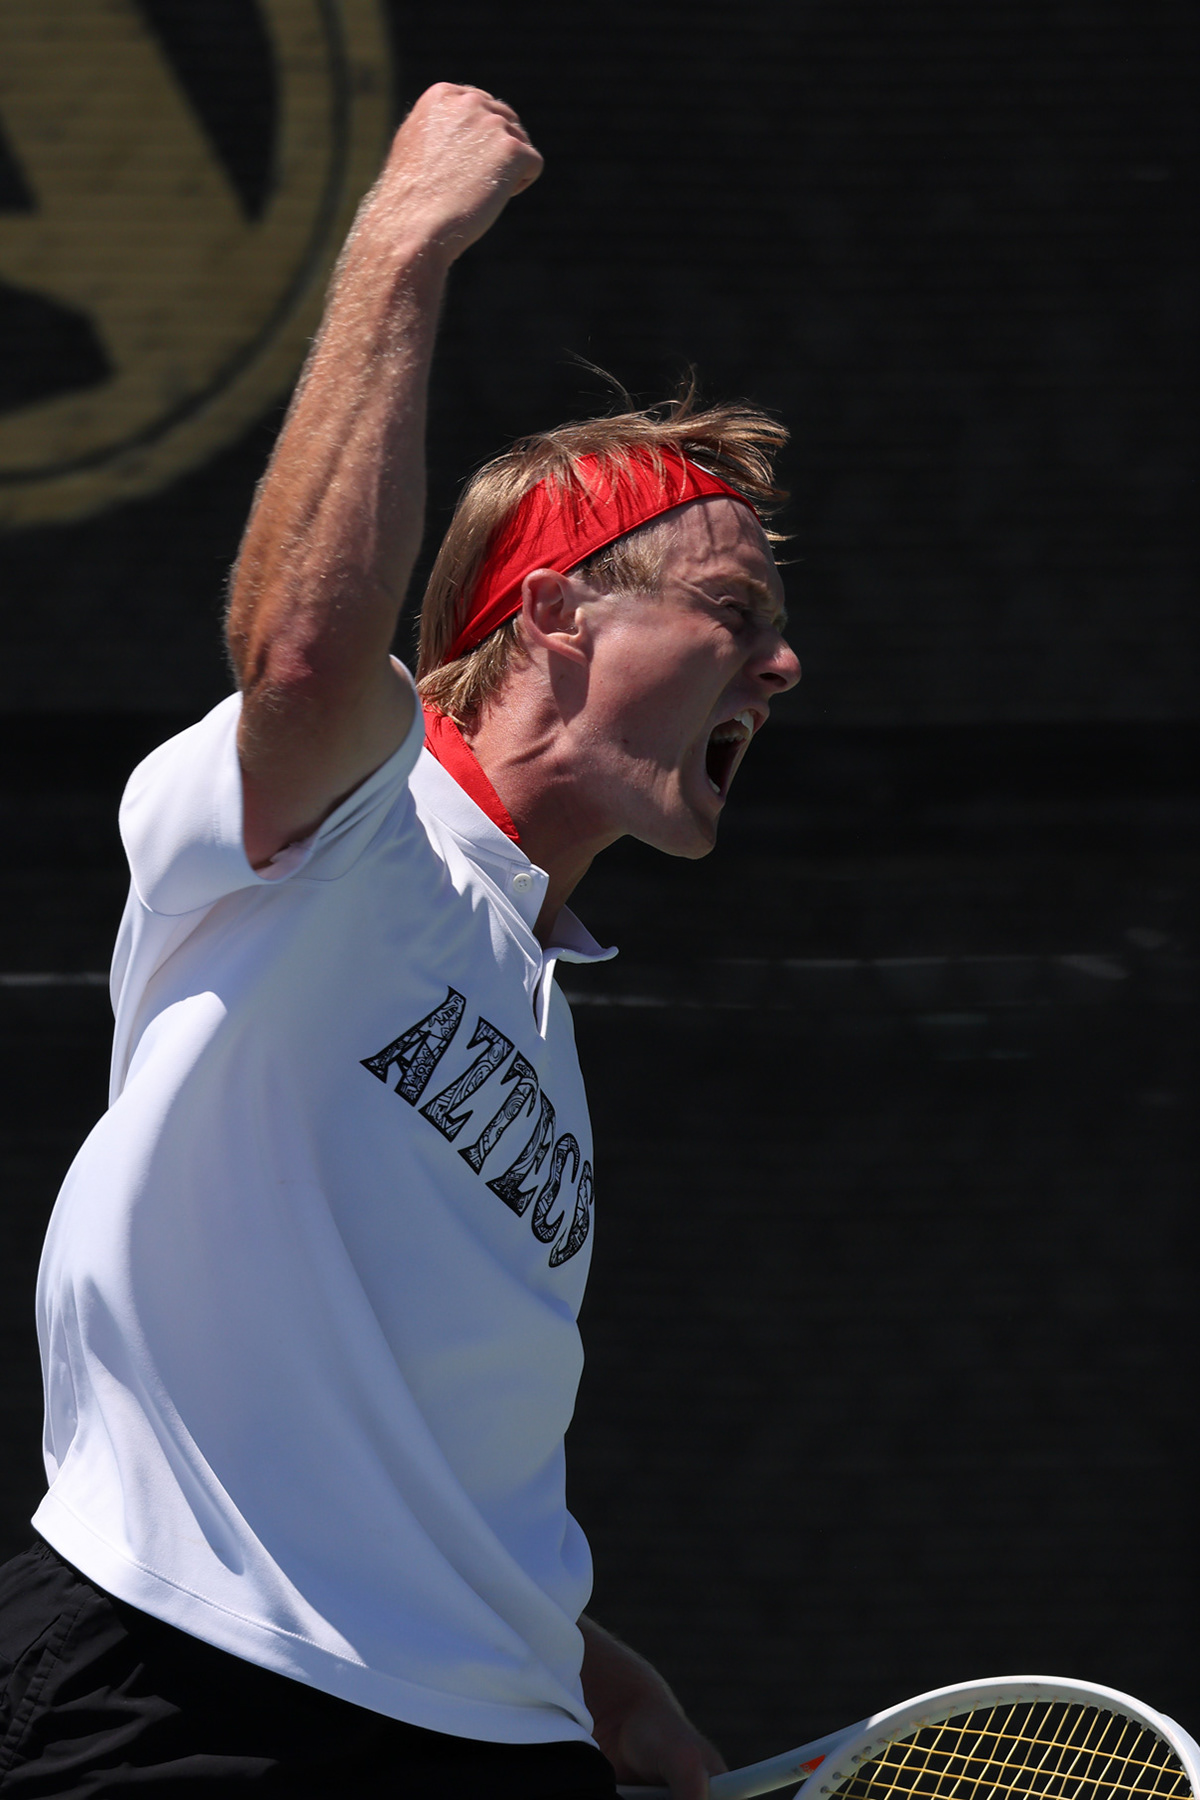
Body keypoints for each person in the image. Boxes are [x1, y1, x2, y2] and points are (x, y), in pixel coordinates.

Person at [0, 84, 800, 1798]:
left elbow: (388, 1432)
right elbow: (298, 655)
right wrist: (402, 239)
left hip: (494, 1738)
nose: (782, 667)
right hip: (200, 1690)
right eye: (735, 611)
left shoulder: (537, 1011)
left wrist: (582, 1665)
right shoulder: (347, 825)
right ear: (556, 606)